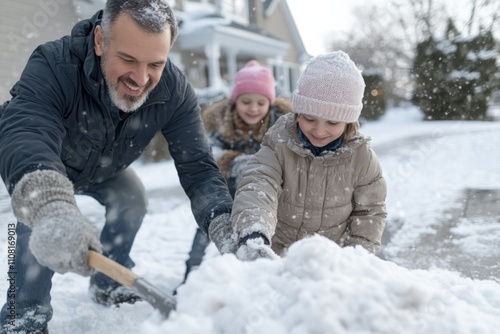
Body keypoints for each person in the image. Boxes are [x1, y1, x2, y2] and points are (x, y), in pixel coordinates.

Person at [0, 1, 235, 332]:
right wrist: (50, 206)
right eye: (128, 59)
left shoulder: (174, 91)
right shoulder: (54, 64)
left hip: (104, 169)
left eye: (155, 63)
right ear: (99, 40)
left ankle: (108, 283)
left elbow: (198, 166)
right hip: (48, 166)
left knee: (132, 196)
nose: (141, 79)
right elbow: (26, 130)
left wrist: (225, 224)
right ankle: (21, 313)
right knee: (33, 225)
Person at [229, 51, 387, 261]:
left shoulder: (361, 158)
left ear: (349, 122)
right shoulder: (279, 144)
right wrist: (254, 233)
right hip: (277, 256)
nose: (319, 131)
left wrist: (356, 257)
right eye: (310, 118)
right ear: (297, 113)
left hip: (330, 261)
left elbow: (370, 212)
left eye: (332, 122)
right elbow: (258, 185)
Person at [180, 60, 292, 285]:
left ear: (270, 103)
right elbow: (211, 152)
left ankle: (272, 270)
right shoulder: (222, 122)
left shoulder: (280, 124)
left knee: (269, 226)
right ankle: (191, 273)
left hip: (263, 193)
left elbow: (286, 153)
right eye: (246, 101)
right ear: (235, 101)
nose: (253, 108)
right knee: (208, 226)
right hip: (227, 188)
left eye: (260, 102)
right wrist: (234, 161)